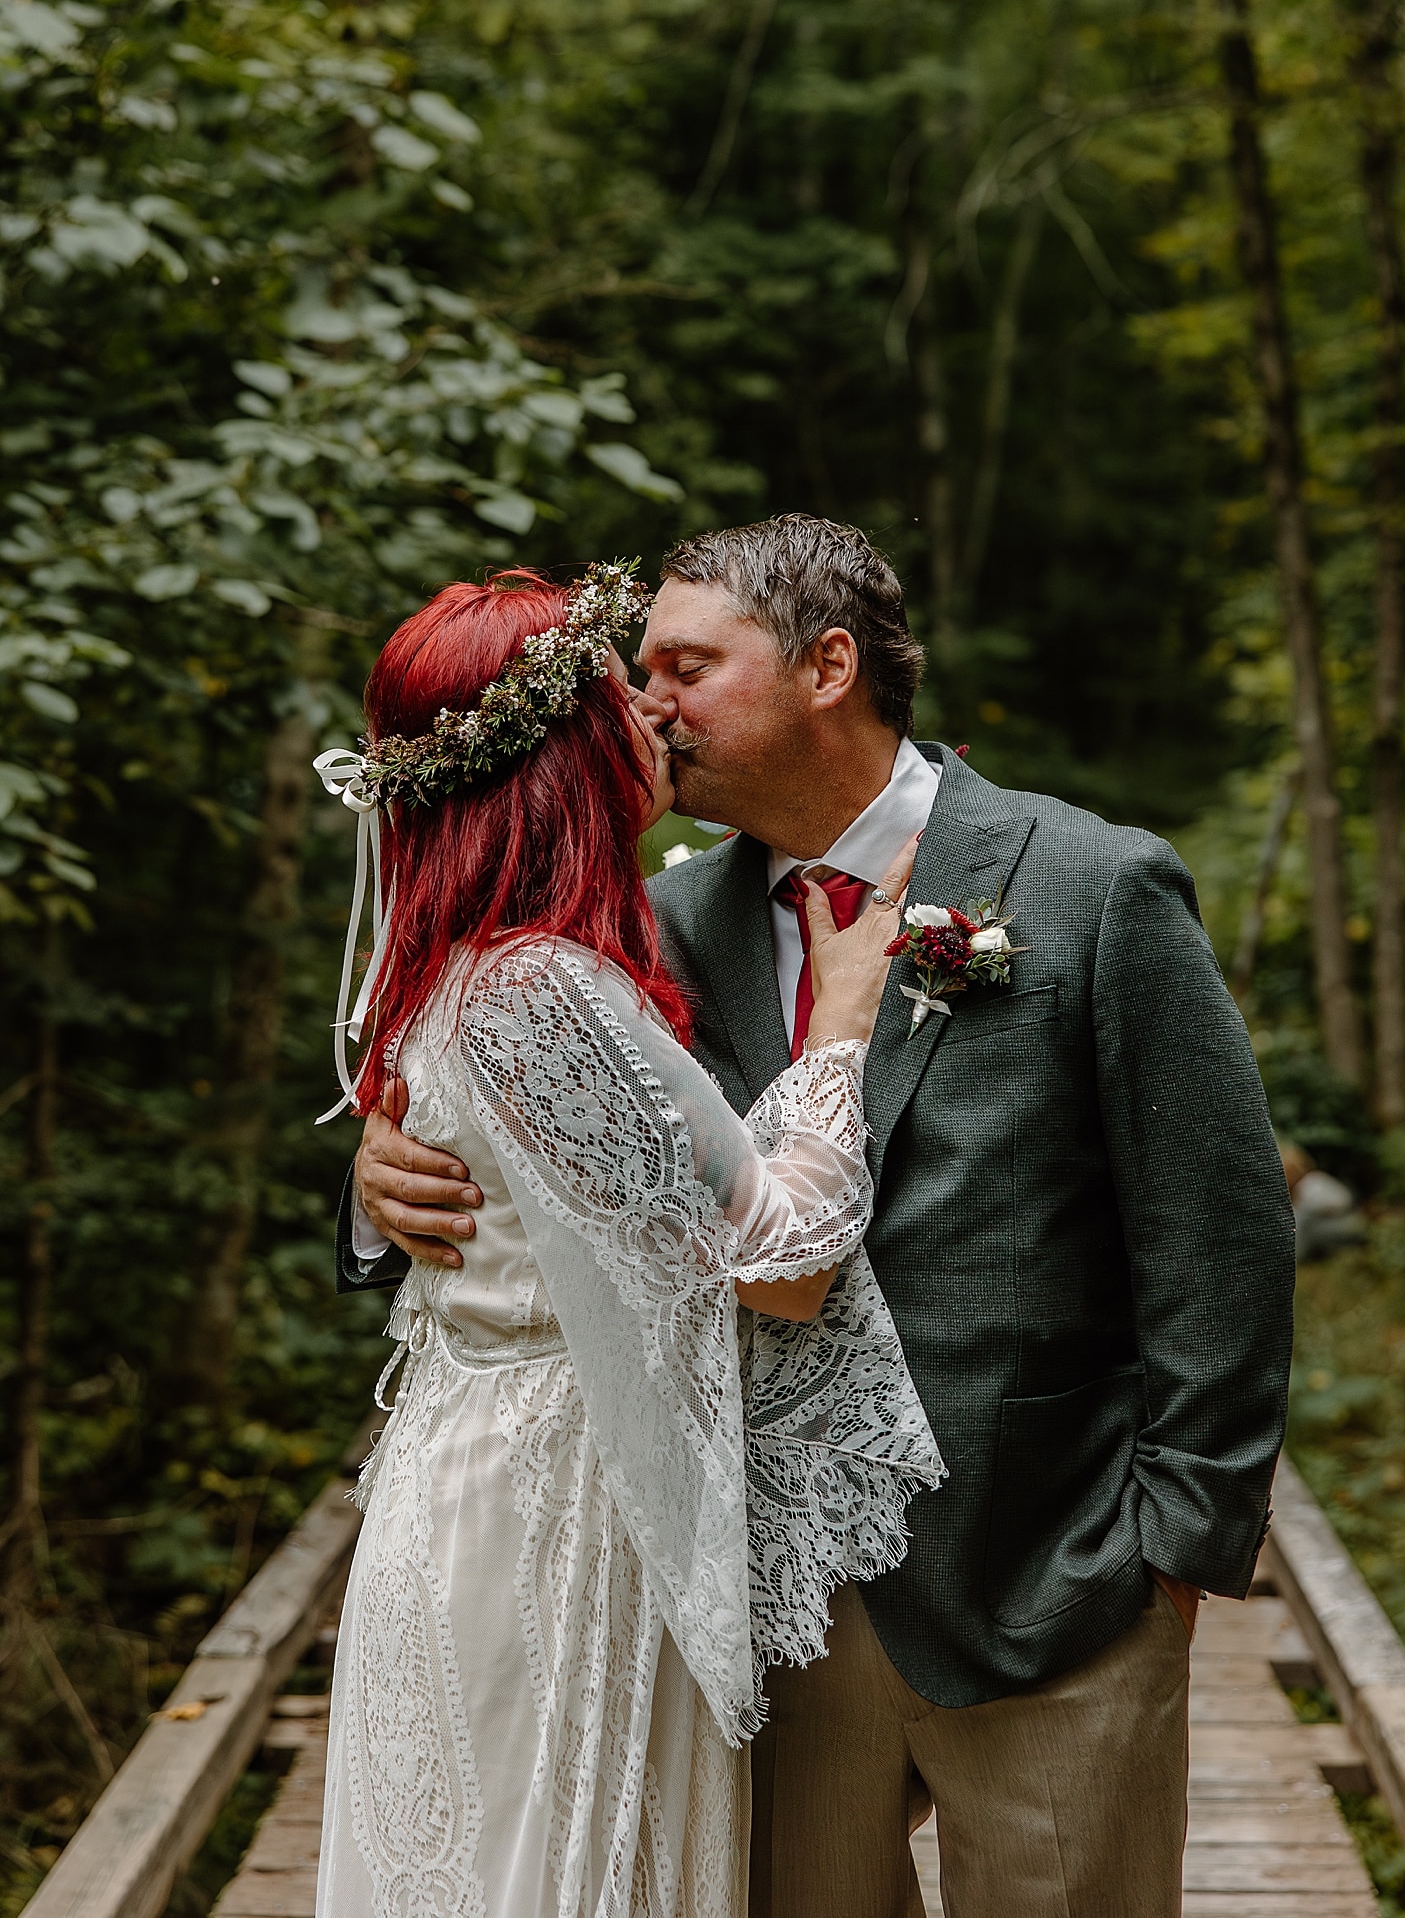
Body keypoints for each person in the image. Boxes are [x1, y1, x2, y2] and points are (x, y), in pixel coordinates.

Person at [348, 516, 1297, 1918]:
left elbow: (1219, 1234)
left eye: (685, 668)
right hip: (757, 1618)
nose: (646, 705)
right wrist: (384, 1176)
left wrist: (1176, 1554)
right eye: (640, 674)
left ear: (828, 668)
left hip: (1053, 1575)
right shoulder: (650, 922)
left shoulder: (1090, 884)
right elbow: (553, 1147)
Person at [312, 561, 943, 1918]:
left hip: (494, 1468)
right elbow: (782, 1264)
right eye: (620, 693)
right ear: (560, 758)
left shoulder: (468, 962)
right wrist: (841, 1025)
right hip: (557, 1500)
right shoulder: (544, 982)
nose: (650, 714)